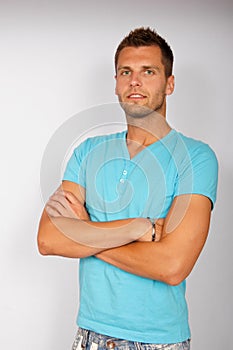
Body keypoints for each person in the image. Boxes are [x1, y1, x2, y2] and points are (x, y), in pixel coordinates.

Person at [37, 27, 218, 350]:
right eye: (126, 72)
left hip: (158, 342)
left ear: (169, 83)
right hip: (89, 335)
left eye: (148, 71)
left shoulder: (195, 157)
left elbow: (172, 266)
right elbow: (49, 240)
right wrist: (138, 228)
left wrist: (83, 233)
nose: (135, 81)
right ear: (117, 83)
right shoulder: (87, 151)